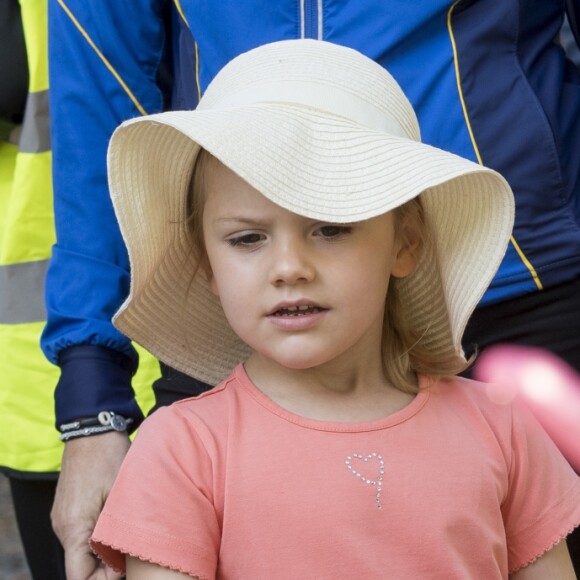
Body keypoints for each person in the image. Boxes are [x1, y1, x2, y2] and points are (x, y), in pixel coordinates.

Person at [43, 1, 580, 576]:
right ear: (205, 260)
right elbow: (96, 72)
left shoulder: (506, 433)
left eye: (331, 227)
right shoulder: (181, 451)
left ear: (406, 243)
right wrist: (92, 394)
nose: (290, 265)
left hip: (539, 275)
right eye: (249, 239)